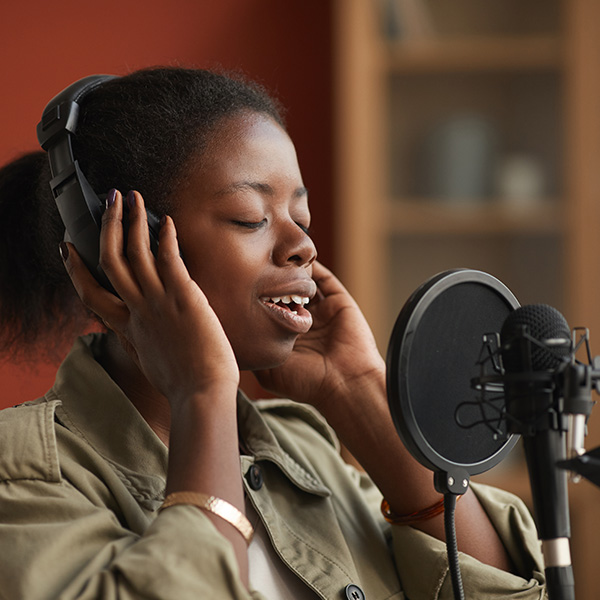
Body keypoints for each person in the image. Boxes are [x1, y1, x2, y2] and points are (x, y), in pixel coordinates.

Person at [0, 67, 545, 599]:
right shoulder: (26, 473)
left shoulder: (304, 448)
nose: (303, 247)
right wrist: (201, 393)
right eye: (250, 217)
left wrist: (357, 389)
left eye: (301, 220)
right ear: (117, 251)